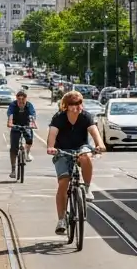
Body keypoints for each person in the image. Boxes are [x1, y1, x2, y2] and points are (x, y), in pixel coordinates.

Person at [45, 90, 105, 235]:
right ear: (66, 105)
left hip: (80, 148)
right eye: (72, 104)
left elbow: (94, 132)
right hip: (62, 151)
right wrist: (51, 147)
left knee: (86, 156)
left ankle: (87, 188)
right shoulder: (59, 117)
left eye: (78, 103)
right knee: (63, 182)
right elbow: (52, 134)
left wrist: (100, 145)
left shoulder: (85, 116)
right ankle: (61, 219)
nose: (76, 106)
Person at [6, 90, 38, 179]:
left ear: (26, 99)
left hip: (26, 125)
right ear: (16, 98)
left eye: (23, 98)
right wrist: (10, 123)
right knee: (13, 148)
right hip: (15, 126)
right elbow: (10, 116)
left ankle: (27, 153)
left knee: (29, 139)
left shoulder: (29, 105)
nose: (21, 101)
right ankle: (13, 170)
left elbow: (32, 116)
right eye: (19, 98)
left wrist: (32, 124)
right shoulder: (13, 105)